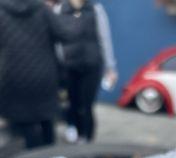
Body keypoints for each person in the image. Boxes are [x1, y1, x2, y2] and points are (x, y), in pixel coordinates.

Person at [0, 0, 74, 149]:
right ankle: (50, 157)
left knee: (24, 123)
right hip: (44, 76)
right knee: (46, 119)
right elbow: (66, 35)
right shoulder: (42, 9)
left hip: (13, 77)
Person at [57, 0, 117, 143]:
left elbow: (104, 38)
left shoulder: (96, 9)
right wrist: (60, 61)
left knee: (86, 105)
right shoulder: (59, 10)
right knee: (72, 102)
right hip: (69, 67)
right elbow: (56, 41)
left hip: (91, 65)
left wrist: (111, 67)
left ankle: (87, 139)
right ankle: (75, 131)